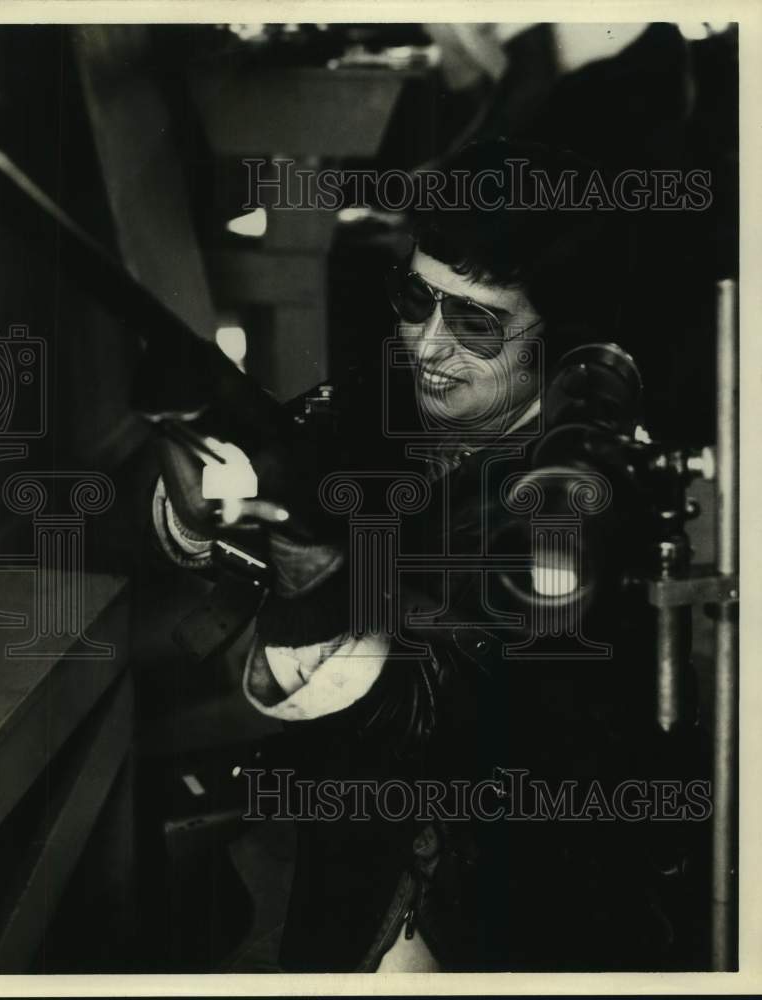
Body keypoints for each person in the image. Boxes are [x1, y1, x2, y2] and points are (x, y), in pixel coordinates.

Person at [153, 139, 697, 972]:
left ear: (560, 340)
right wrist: (193, 511)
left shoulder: (588, 493)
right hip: (350, 879)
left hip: (522, 907)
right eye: (415, 297)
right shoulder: (373, 402)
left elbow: (461, 692)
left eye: (476, 321)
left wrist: (319, 566)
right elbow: (256, 474)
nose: (429, 345)